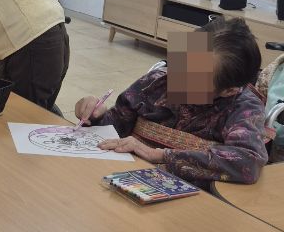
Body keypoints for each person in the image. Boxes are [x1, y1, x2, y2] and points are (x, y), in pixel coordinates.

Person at [75, 18, 268, 185]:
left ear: (229, 90)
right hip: (123, 178)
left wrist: (158, 155)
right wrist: (94, 115)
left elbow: (248, 162)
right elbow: (115, 128)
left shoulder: (243, 108)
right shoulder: (156, 82)